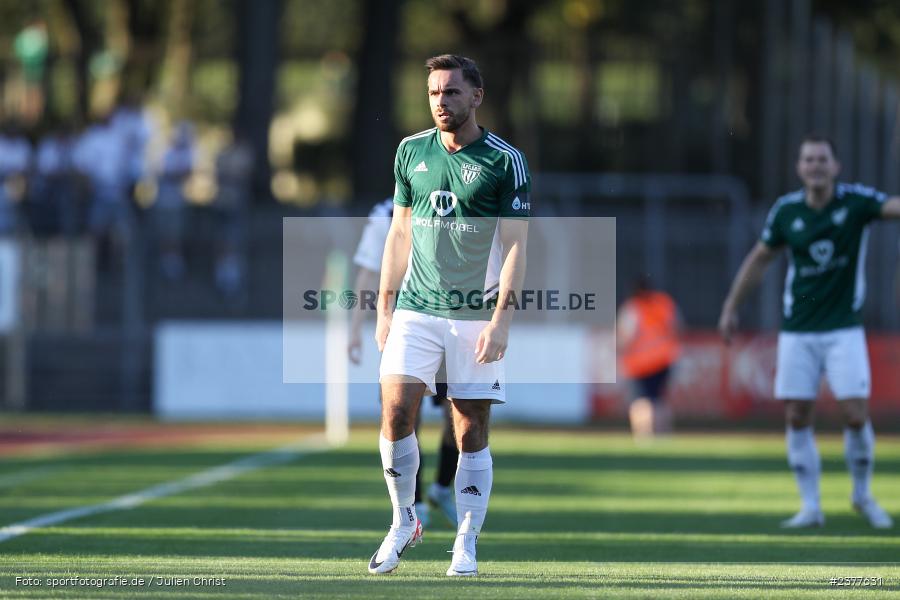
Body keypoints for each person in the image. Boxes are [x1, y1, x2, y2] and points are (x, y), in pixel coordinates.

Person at [368, 54, 530, 576]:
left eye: (452, 92)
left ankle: (466, 538)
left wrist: (502, 319)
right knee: (395, 413)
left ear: (476, 96)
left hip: (475, 314)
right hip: (416, 307)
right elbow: (399, 232)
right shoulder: (410, 151)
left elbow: (515, 248)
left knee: (469, 428)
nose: (442, 101)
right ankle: (403, 520)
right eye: (435, 92)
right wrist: (384, 305)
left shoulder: (505, 161)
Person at [719, 135, 900, 529]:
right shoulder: (786, 212)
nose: (815, 165)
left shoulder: (855, 203)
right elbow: (759, 259)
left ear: (836, 166)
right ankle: (810, 506)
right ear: (799, 167)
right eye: (808, 159)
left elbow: (892, 207)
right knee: (797, 414)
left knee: (855, 413)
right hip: (798, 331)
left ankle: (862, 495)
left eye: (822, 159)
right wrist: (732, 306)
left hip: (843, 329)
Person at [349, 198, 460, 529]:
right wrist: (355, 330)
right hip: (406, 329)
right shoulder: (385, 214)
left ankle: (442, 487)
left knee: (460, 411)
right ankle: (415, 505)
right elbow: (368, 272)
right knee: (406, 416)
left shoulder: (454, 203)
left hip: (452, 323)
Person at [617, 276, 681, 437]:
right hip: (663, 360)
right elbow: (678, 327)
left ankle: (644, 436)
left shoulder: (633, 308)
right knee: (659, 400)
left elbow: (626, 336)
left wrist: (618, 350)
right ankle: (663, 435)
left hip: (639, 364)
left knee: (641, 402)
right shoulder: (664, 303)